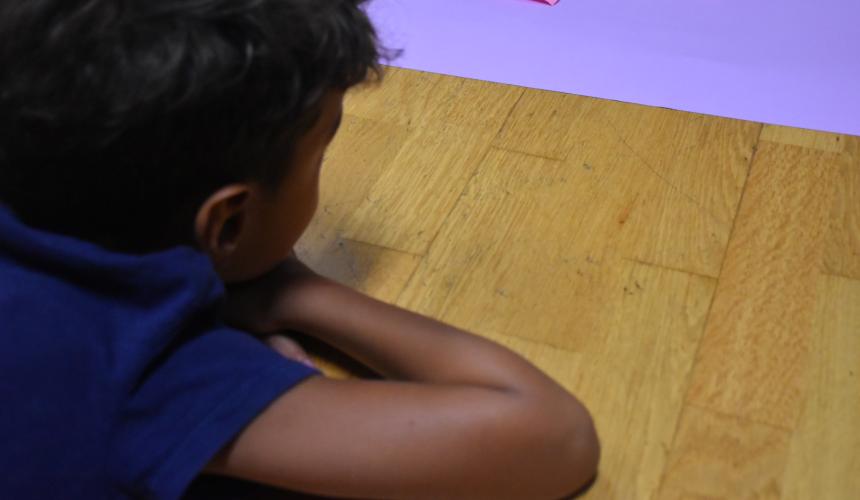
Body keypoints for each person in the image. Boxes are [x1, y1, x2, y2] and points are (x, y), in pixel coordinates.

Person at [0, 0, 600, 498]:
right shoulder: (143, 368)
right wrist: (292, 292)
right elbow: (553, 437)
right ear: (227, 223)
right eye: (322, 154)